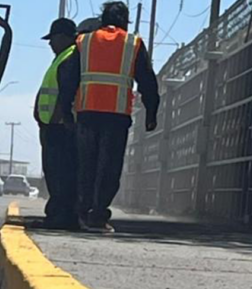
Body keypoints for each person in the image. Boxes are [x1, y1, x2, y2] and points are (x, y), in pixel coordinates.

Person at [58, 1, 159, 232]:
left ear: (102, 19)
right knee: (109, 167)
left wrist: (66, 111)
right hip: (116, 116)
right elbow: (147, 81)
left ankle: (82, 212)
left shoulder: (85, 41)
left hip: (87, 114)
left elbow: (68, 77)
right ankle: (98, 214)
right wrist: (151, 112)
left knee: (87, 165)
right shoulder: (133, 43)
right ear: (126, 20)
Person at [34, 18, 80, 230]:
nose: (50, 43)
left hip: (59, 127)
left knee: (59, 173)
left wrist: (54, 121)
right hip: (51, 125)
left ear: (64, 37)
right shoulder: (62, 57)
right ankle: (58, 214)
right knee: (54, 173)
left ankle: (60, 216)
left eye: (53, 39)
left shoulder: (70, 58)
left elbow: (65, 94)